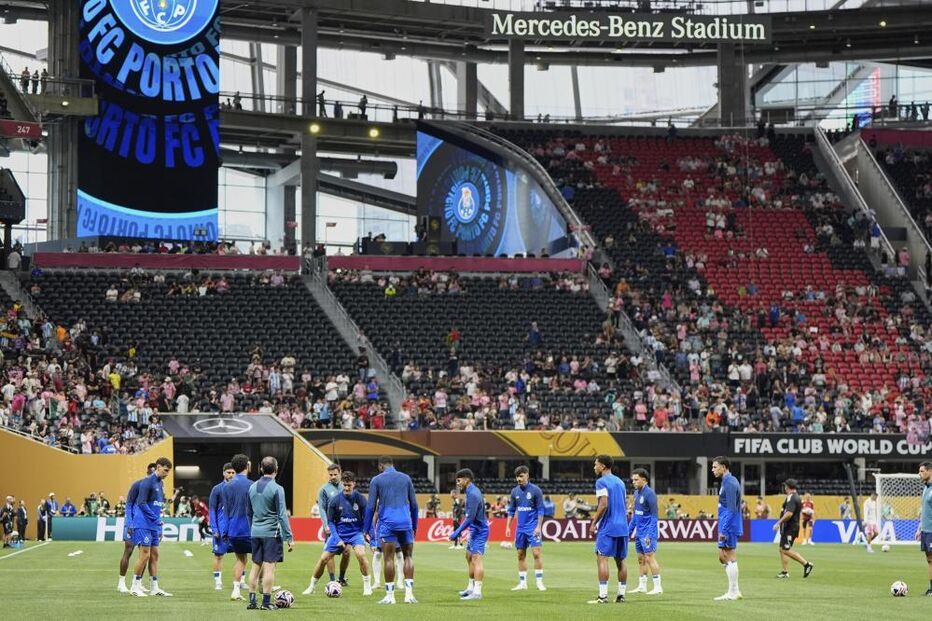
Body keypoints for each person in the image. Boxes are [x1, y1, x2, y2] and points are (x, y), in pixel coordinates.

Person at [303, 471, 372, 596]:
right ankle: (311, 586)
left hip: (355, 533)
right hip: (339, 533)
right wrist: (337, 538)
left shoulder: (360, 499)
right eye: (344, 485)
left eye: (349, 485)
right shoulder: (335, 500)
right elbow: (331, 522)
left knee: (361, 554)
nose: (346, 488)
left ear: (354, 484)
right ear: (342, 484)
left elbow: (367, 518)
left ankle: (367, 587)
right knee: (323, 559)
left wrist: (366, 533)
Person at [363, 455, 419, 604]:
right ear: (392, 464)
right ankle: (409, 595)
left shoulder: (376, 480)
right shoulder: (406, 478)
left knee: (388, 558)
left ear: (381, 466)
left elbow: (370, 507)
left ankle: (390, 596)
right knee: (408, 557)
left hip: (388, 523)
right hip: (405, 523)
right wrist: (414, 525)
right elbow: (414, 505)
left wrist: (366, 528)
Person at [243, 456, 293, 610]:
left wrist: (253, 528)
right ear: (276, 470)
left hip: (255, 532)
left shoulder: (252, 487)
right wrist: (289, 537)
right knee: (269, 567)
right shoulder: (277, 488)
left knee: (255, 566)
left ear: (261, 469)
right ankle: (266, 602)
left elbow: (248, 512)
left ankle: (252, 602)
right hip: (271, 533)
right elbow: (282, 515)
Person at [128, 456, 173, 597]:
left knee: (154, 555)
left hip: (154, 525)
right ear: (158, 467)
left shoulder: (161, 483)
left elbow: (157, 507)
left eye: (168, 471)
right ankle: (134, 586)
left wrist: (159, 527)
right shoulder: (147, 482)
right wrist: (155, 519)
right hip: (143, 524)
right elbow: (141, 503)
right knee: (144, 555)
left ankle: (154, 587)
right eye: (165, 470)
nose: (167, 473)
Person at [587, 454, 628, 605]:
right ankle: (621, 595)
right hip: (623, 526)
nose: (594, 467)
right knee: (620, 561)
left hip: (608, 526)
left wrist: (594, 523)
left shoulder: (601, 482)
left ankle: (603, 596)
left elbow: (603, 504)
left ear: (603, 466)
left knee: (602, 558)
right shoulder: (620, 482)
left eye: (596, 464)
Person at [504, 465, 546, 592]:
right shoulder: (514, 492)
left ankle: (539, 582)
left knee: (536, 553)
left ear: (527, 475)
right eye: (517, 477)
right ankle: (523, 583)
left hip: (533, 527)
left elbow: (541, 510)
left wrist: (538, 527)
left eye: (521, 476)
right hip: (520, 528)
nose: (519, 479)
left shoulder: (536, 490)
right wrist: (508, 527)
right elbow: (511, 510)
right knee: (520, 555)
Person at [449, 468, 489, 601]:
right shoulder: (470, 491)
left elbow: (470, 517)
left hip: (480, 530)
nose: (458, 484)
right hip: (474, 529)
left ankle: (477, 592)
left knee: (476, 558)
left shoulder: (473, 494)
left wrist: (457, 532)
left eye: (459, 481)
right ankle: (470, 587)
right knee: (469, 556)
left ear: (466, 479)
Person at [119, 463, 156, 593]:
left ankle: (138, 583)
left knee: (144, 554)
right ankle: (121, 582)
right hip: (133, 522)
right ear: (147, 472)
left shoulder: (156, 487)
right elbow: (129, 504)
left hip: (145, 524)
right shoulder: (137, 484)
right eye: (150, 472)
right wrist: (130, 522)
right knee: (128, 550)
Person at [221, 453, 253, 600]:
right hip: (250, 529)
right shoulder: (252, 485)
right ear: (247, 466)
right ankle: (261, 589)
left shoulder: (226, 487)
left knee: (241, 559)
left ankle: (236, 590)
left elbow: (226, 511)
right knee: (261, 559)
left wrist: (225, 531)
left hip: (233, 529)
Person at [712, 456, 742, 601]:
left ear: (723, 467)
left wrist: (724, 530)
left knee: (729, 556)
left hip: (728, 524)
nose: (712, 470)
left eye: (715, 467)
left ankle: (733, 592)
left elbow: (731, 509)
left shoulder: (730, 482)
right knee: (722, 556)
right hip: (726, 522)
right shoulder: (727, 481)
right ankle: (735, 590)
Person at [628, 468, 662, 595]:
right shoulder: (636, 493)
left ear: (644, 479)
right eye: (633, 480)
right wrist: (629, 531)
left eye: (636, 479)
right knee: (641, 559)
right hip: (639, 533)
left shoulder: (650, 494)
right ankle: (642, 586)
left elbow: (654, 516)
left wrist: (650, 534)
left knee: (649, 558)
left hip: (648, 533)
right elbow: (635, 515)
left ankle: (658, 587)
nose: (633, 482)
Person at [773, 479, 814, 579]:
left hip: (790, 528)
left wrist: (778, 523)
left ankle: (806, 564)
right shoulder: (794, 497)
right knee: (782, 549)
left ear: (787, 487)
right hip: (788, 527)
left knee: (785, 549)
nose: (784, 488)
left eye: (785, 486)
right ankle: (785, 572)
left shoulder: (792, 498)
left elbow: (789, 513)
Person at [318, 464, 351, 585]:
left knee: (347, 552)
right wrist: (325, 524)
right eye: (330, 475)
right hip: (331, 526)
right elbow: (321, 508)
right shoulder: (324, 489)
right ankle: (333, 581)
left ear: (340, 473)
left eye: (335, 474)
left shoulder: (345, 487)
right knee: (330, 554)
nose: (332, 477)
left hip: (345, 525)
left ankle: (341, 578)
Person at [209, 463, 235, 590]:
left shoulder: (238, 488)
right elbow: (212, 509)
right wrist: (214, 528)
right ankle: (218, 581)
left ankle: (240, 581)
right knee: (218, 555)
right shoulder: (217, 489)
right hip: (221, 529)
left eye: (233, 472)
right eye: (228, 472)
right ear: (223, 473)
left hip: (235, 528)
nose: (231, 475)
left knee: (241, 555)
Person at [915, 461, 932, 597]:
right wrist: (920, 528)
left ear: (930, 471)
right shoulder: (926, 488)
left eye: (922, 471)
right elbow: (925, 511)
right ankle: (931, 589)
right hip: (926, 531)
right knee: (929, 560)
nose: (919, 474)